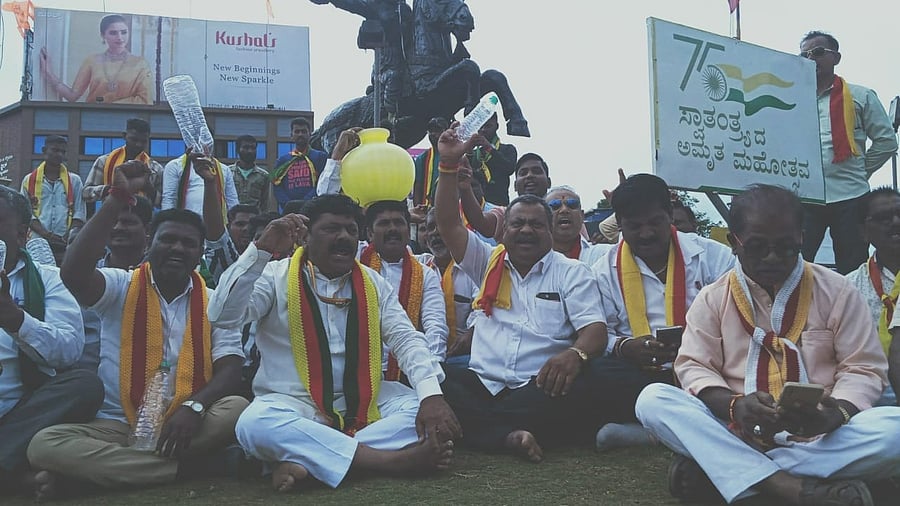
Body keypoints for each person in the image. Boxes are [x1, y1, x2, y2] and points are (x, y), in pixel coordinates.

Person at [636, 184, 900, 506]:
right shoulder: (713, 298)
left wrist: (836, 413)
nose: (772, 258)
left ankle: (730, 472)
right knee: (653, 400)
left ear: (801, 238)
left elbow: (863, 367)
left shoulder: (838, 291)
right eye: (758, 247)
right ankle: (789, 487)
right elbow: (694, 366)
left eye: (785, 247)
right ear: (734, 243)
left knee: (894, 430)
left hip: (820, 435)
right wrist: (735, 406)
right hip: (735, 426)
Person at [208, 193, 459, 492]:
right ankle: (389, 461)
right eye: (331, 229)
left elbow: (406, 340)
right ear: (305, 237)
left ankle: (310, 461)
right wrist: (261, 251)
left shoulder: (373, 282)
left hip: (364, 399)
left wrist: (431, 396)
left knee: (422, 410)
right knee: (254, 424)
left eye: (351, 230)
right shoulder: (275, 275)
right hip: (293, 402)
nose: (344, 237)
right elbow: (223, 316)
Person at [27, 161, 247, 498]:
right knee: (44, 444)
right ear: (149, 244)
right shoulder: (122, 285)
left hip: (188, 421)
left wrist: (194, 407)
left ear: (199, 253)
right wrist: (117, 198)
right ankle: (194, 468)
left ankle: (96, 475)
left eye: (188, 243)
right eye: (168, 239)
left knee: (237, 408)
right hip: (118, 422)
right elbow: (73, 274)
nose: (177, 248)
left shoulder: (214, 301)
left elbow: (230, 368)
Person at [434, 125, 649, 462]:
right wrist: (447, 165)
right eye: (517, 223)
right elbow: (449, 224)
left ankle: (484, 431)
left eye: (536, 224)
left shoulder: (571, 271)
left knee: (594, 378)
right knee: (434, 378)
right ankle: (508, 436)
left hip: (542, 386)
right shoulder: (487, 262)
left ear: (550, 231)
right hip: (483, 381)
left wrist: (574, 355)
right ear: (503, 231)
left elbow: (594, 331)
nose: (526, 230)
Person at [592, 174, 734, 451]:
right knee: (596, 373)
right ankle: (694, 425)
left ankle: (656, 433)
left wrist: (698, 343)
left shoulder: (713, 256)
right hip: (641, 373)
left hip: (707, 367)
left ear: (670, 214)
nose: (646, 234)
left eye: (654, 223)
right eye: (635, 226)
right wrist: (626, 347)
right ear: (619, 224)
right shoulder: (602, 270)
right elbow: (601, 332)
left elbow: (737, 318)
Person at [0, 186, 101, 494]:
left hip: (21, 413)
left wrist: (17, 321)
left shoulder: (48, 278)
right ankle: (13, 477)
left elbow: (69, 350)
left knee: (84, 385)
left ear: (21, 234)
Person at [798, 30, 898, 275]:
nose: (811, 59)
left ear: (836, 57)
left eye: (818, 52)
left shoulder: (860, 96)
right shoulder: (793, 98)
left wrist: (860, 170)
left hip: (851, 195)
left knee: (853, 266)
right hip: (805, 195)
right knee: (794, 262)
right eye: (804, 55)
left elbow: (886, 141)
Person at [361, 200, 449, 370]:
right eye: (384, 223)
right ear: (370, 234)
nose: (392, 229)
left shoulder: (425, 274)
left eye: (399, 222)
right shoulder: (355, 263)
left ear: (408, 232)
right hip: (359, 368)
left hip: (408, 367)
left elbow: (435, 325)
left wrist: (432, 366)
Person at [847, 187, 900, 406]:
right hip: (869, 399)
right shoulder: (849, 287)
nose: (896, 222)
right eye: (883, 218)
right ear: (864, 232)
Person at [38, 14, 153, 105]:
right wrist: (48, 74)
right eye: (113, 33)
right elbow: (72, 96)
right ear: (103, 35)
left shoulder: (140, 64)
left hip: (127, 119)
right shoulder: (92, 61)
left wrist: (109, 106)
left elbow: (145, 100)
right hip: (93, 118)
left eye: (124, 32)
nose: (120, 38)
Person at [420, 207, 479, 368]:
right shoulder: (418, 266)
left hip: (466, 356)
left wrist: (473, 331)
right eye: (430, 227)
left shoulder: (474, 268)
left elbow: (483, 309)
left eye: (442, 225)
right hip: (424, 356)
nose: (435, 232)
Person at [460, 152, 552, 243]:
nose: (529, 175)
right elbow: (480, 222)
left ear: (549, 182)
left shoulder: (558, 211)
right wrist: (465, 188)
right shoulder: (504, 214)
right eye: (523, 173)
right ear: (515, 186)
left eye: (536, 171)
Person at [20, 136, 86, 257]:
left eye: (63, 152)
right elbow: (26, 214)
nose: (59, 154)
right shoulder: (29, 181)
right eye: (55, 150)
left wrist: (67, 236)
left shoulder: (74, 181)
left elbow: (80, 213)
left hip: (66, 244)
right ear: (44, 150)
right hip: (38, 243)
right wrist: (46, 235)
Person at [83, 118, 163, 207]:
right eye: (134, 139)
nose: (138, 144)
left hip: (142, 215)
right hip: (111, 214)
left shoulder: (155, 168)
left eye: (143, 141)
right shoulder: (104, 161)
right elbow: (85, 193)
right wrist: (110, 190)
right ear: (124, 136)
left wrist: (148, 187)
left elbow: (164, 202)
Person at [271, 117, 328, 212]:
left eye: (304, 131)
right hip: (289, 210)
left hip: (314, 209)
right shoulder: (282, 160)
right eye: (297, 132)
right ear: (291, 135)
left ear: (310, 134)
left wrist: (307, 202)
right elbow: (275, 185)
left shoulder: (321, 157)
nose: (300, 134)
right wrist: (287, 204)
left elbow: (323, 182)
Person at [545, 185, 611, 266]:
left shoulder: (605, 255)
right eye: (555, 206)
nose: (564, 210)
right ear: (543, 217)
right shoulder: (534, 259)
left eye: (572, 205)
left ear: (582, 216)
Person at [162, 150, 239, 217]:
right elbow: (169, 199)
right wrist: (166, 222)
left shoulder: (224, 169)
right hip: (186, 223)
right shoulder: (175, 165)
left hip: (217, 223)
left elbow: (232, 201)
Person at [467, 113, 517, 207]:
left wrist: (489, 148)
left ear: (497, 126)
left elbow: (509, 168)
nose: (483, 130)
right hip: (475, 204)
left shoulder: (507, 149)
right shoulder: (473, 153)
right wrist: (468, 150)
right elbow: (466, 173)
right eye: (480, 126)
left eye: (488, 126)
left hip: (499, 203)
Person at [230, 135, 275, 213]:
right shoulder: (228, 173)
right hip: (231, 217)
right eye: (246, 147)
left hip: (254, 218)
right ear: (237, 150)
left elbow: (265, 204)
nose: (250, 151)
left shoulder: (264, 175)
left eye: (253, 148)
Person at [413, 117, 450, 207]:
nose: (433, 134)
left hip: (450, 205)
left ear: (446, 132)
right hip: (427, 207)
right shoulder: (422, 158)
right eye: (430, 131)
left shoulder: (455, 155)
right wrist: (417, 208)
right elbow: (418, 187)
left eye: (437, 130)